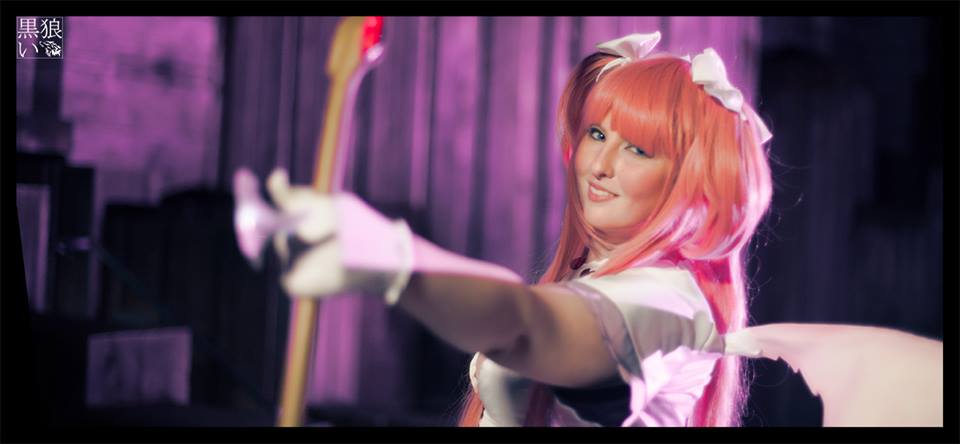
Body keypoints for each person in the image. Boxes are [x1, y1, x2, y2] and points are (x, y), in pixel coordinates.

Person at [233, 31, 942, 427]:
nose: (597, 164)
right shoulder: (605, 277)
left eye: (639, 149)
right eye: (597, 133)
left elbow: (527, 324)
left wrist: (397, 261)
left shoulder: (669, 303)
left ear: (694, 186)